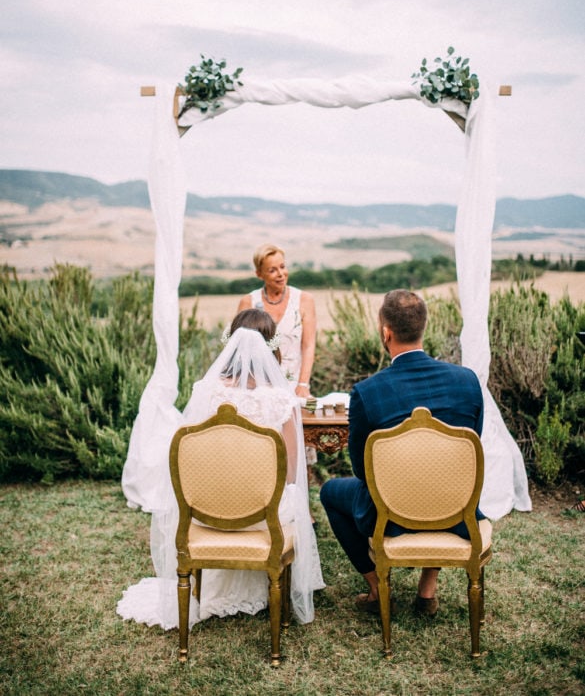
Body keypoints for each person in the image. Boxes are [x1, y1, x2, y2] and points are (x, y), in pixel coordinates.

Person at [117, 308, 324, 630]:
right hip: (263, 516)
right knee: (293, 499)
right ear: (272, 348)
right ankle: (277, 584)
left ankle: (209, 583)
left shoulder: (206, 392)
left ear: (230, 345)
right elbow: (292, 472)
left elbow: (189, 459)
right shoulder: (282, 402)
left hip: (206, 510)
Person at [320, 289, 484, 617]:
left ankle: (377, 588)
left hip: (390, 516)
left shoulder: (367, 393)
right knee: (442, 479)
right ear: (424, 327)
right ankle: (427, 591)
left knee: (329, 492)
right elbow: (468, 451)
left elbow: (360, 469)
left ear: (386, 332)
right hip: (455, 509)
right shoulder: (467, 381)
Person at [237, 244, 316, 400]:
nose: (281, 274)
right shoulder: (248, 302)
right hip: (256, 387)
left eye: (282, 267)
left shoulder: (304, 300)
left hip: (293, 386)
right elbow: (239, 349)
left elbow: (308, 345)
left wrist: (303, 385)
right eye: (272, 270)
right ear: (259, 274)